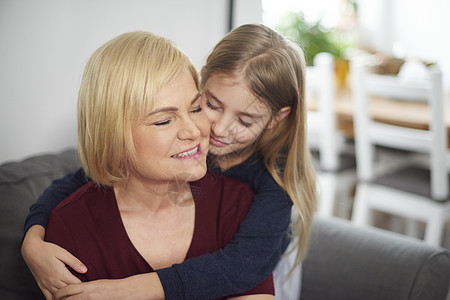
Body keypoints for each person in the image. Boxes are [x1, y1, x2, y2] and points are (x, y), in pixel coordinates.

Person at [21, 24, 317, 299]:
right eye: (209, 105)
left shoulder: (266, 185)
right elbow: (79, 179)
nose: (218, 129)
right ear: (203, 79)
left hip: (268, 265)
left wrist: (135, 288)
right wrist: (33, 237)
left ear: (275, 120)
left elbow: (244, 267)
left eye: (245, 119)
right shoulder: (78, 219)